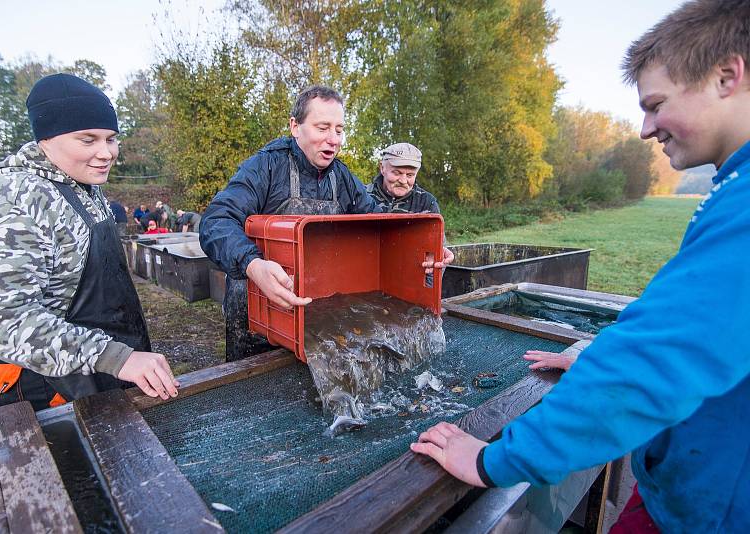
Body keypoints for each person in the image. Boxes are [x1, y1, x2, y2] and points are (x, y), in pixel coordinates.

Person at [411, 2, 750, 532]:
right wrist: (601, 356)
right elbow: (700, 329)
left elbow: (649, 366)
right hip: (692, 489)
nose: (645, 128)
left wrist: (488, 460)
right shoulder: (733, 190)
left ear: (727, 76)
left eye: (656, 104)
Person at [0, 73, 179, 411]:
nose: (106, 152)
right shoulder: (15, 197)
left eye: (111, 139)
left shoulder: (82, 184)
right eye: (88, 139)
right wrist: (114, 356)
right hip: (49, 391)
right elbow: (2, 319)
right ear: (46, 139)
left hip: (100, 376)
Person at [200, 86, 449, 362]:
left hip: (311, 315)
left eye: (339, 130)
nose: (334, 140)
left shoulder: (341, 176)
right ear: (296, 127)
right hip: (257, 316)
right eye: (322, 128)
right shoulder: (265, 167)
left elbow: (378, 220)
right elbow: (215, 222)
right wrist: (253, 264)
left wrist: (424, 247)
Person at [367, 142, 454, 276]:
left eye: (410, 175)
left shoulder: (426, 203)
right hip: (368, 275)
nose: (403, 180)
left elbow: (435, 260)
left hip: (409, 279)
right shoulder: (362, 196)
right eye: (397, 173)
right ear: (382, 168)